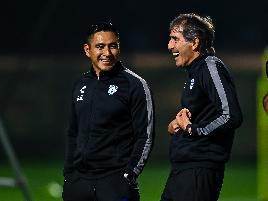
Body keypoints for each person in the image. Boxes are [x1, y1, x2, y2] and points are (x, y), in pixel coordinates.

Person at [62, 22, 155, 201]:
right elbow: (73, 133)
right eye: (100, 46)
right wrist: (69, 174)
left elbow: (146, 135)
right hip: (79, 182)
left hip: (115, 181)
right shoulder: (80, 84)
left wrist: (130, 174)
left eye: (113, 46)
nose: (107, 52)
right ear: (87, 50)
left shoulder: (135, 85)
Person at [161, 13, 243, 201]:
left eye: (175, 39)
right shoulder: (194, 72)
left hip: (199, 171)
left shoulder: (210, 66)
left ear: (195, 43)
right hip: (183, 170)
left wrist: (192, 129)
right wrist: (177, 126)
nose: (169, 45)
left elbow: (231, 115)